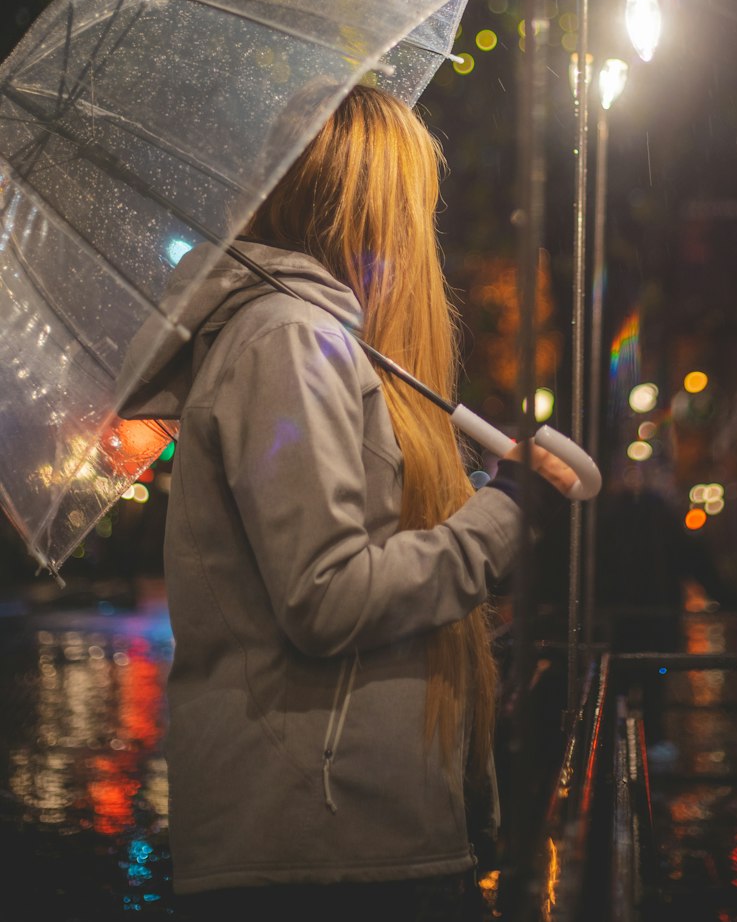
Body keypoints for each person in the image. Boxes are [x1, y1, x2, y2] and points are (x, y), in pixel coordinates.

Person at [121, 85, 577, 921]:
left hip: (344, 843)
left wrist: (481, 498)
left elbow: (356, 546)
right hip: (324, 854)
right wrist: (505, 513)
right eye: (413, 202)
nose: (421, 232)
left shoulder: (311, 339)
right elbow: (326, 596)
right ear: (366, 204)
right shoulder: (291, 340)